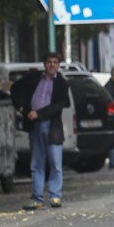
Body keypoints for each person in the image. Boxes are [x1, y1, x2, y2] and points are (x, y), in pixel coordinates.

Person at [10, 53, 70, 210]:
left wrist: (39, 113)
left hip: (52, 126)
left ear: (58, 65)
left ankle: (55, 196)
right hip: (34, 126)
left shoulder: (62, 83)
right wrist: (22, 108)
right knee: (37, 163)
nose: (52, 65)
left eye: (55, 62)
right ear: (44, 64)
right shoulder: (34, 78)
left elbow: (58, 105)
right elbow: (14, 88)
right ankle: (37, 198)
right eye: (49, 62)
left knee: (55, 163)